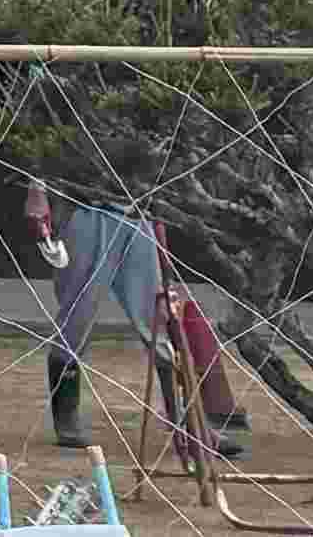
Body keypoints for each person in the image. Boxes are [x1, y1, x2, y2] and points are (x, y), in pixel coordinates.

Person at [27, 181, 245, 459]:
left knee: (160, 322)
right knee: (76, 319)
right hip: (87, 212)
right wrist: (36, 189)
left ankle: (190, 424)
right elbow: (43, 156)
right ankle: (66, 419)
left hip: (138, 213)